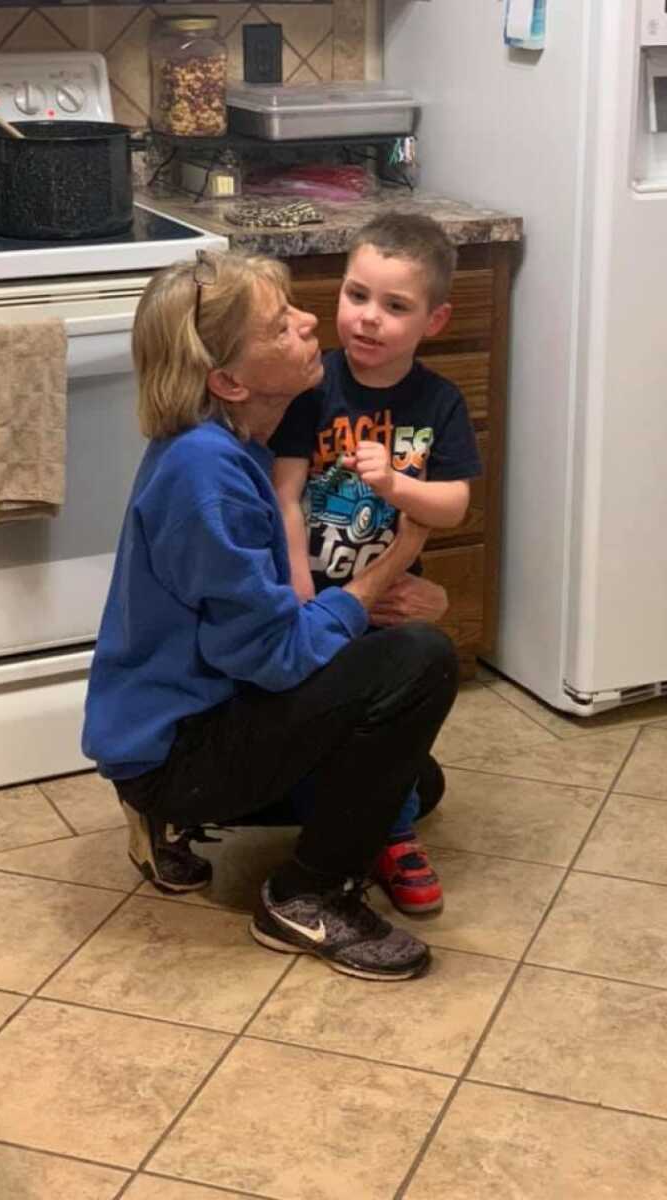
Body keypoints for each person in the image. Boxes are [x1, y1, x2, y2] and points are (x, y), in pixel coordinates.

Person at [81, 248, 459, 982]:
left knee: (419, 782)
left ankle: (165, 822)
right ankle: (304, 897)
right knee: (422, 661)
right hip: (177, 750)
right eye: (280, 326)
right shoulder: (208, 476)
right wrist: (392, 567)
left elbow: (279, 620)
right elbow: (279, 656)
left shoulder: (230, 447)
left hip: (197, 714)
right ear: (228, 378)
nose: (310, 322)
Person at [271, 212, 481, 916]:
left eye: (396, 307)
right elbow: (286, 492)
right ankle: (383, 831)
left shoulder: (438, 403)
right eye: (357, 295)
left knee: (400, 722)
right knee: (347, 733)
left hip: (389, 606)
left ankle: (380, 822)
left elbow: (453, 504)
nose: (368, 320)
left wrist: (395, 484)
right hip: (320, 602)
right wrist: (301, 591)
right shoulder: (314, 387)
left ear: (436, 319)